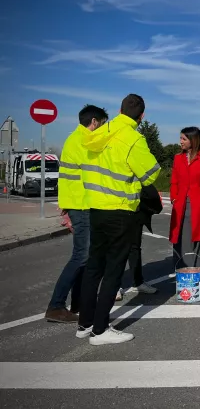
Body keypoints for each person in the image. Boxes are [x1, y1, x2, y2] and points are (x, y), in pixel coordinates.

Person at [76, 94, 161, 346]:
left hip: (95, 207)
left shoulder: (100, 131)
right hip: (120, 210)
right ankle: (100, 331)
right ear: (142, 116)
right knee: (113, 271)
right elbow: (151, 174)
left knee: (94, 268)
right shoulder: (133, 138)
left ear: (119, 110)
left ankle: (85, 324)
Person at [45, 105, 109, 323]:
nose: (102, 128)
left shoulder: (74, 139)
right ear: (93, 122)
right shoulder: (83, 141)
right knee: (81, 256)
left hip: (78, 203)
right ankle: (56, 306)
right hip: (81, 205)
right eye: (102, 124)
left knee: (86, 255)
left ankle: (79, 301)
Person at [169, 127, 200, 269]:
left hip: (197, 204)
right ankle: (181, 269)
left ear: (193, 140)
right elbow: (174, 181)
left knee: (197, 238)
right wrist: (173, 198)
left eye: (184, 139)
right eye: (180, 138)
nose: (180, 142)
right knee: (180, 237)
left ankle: (197, 270)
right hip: (180, 203)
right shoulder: (178, 158)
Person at [115, 185, 162, 301]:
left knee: (135, 248)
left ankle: (138, 282)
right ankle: (115, 286)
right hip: (116, 209)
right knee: (116, 249)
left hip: (135, 210)